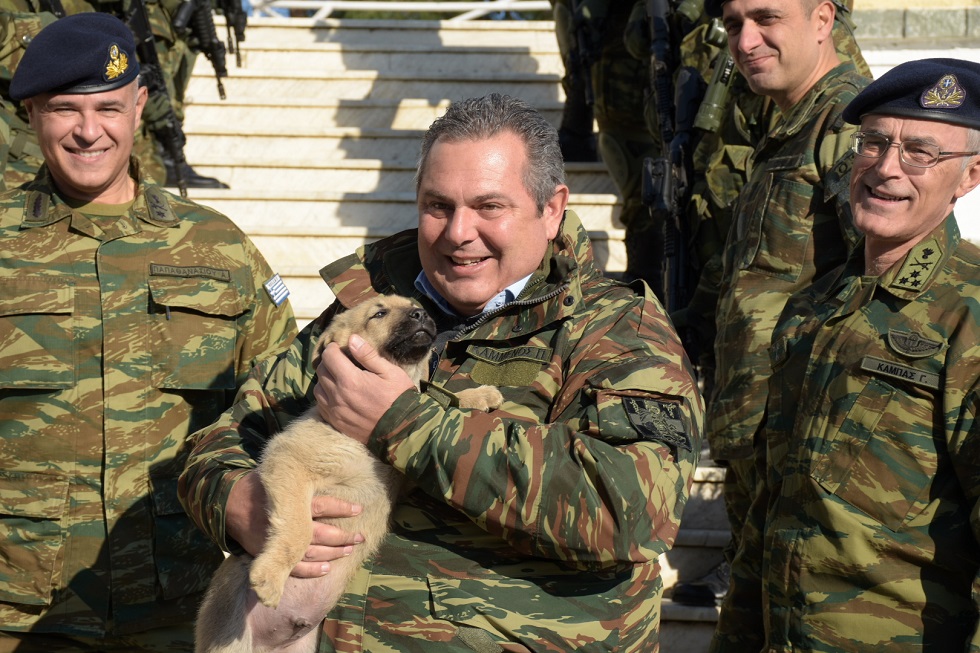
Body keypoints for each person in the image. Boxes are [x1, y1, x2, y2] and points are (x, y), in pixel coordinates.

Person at [179, 92, 705, 652]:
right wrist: (239, 501)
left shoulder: (617, 329)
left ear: (551, 209)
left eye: (489, 207)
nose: (458, 232)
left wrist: (406, 424)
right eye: (438, 206)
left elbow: (632, 508)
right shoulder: (369, 311)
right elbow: (224, 439)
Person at [0, 12, 296, 652]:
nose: (88, 131)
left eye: (108, 107)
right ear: (30, 115)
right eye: (64, 109)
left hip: (179, 613)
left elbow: (284, 406)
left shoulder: (219, 248)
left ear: (140, 106)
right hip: (17, 615)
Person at [711, 57, 980, 653]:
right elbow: (768, 513)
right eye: (874, 143)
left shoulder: (970, 317)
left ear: (970, 176)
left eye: (921, 153)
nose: (886, 168)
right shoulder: (813, 306)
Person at [668, 0, 872, 606]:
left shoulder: (848, 122)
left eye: (766, 19)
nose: (746, 40)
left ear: (822, 20)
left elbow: (876, 282)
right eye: (733, 25)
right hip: (759, 425)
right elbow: (753, 262)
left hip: (802, 424)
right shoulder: (789, 124)